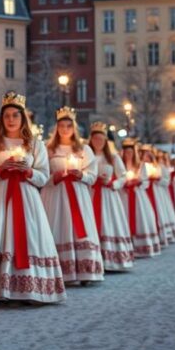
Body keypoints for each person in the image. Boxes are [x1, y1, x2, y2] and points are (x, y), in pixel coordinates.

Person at [0, 92, 65, 303]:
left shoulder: (35, 144)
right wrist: (0, 169)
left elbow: (43, 175)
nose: (10, 120)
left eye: (15, 115)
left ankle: (27, 289)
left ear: (22, 117)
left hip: (26, 198)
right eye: (6, 115)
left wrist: (28, 171)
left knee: (26, 236)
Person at [41, 107, 104, 285]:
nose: (65, 129)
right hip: (56, 195)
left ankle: (85, 271)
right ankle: (60, 270)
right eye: (62, 125)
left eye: (69, 125)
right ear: (57, 127)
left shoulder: (84, 149)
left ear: (74, 127)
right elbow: (42, 175)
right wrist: (55, 177)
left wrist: (81, 175)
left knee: (79, 229)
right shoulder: (49, 149)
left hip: (78, 194)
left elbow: (92, 176)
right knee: (58, 226)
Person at [87, 122, 134, 271]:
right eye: (95, 139)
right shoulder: (87, 156)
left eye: (101, 140)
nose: (98, 143)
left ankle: (111, 259)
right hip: (90, 193)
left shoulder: (113, 157)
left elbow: (123, 176)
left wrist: (113, 183)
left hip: (108, 196)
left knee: (108, 222)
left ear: (105, 141)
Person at [119, 140, 161, 257]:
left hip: (138, 195)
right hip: (124, 194)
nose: (128, 155)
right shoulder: (120, 164)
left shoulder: (141, 165)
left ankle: (141, 245)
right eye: (126, 152)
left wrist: (138, 182)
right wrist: (124, 183)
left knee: (140, 217)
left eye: (130, 152)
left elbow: (146, 181)